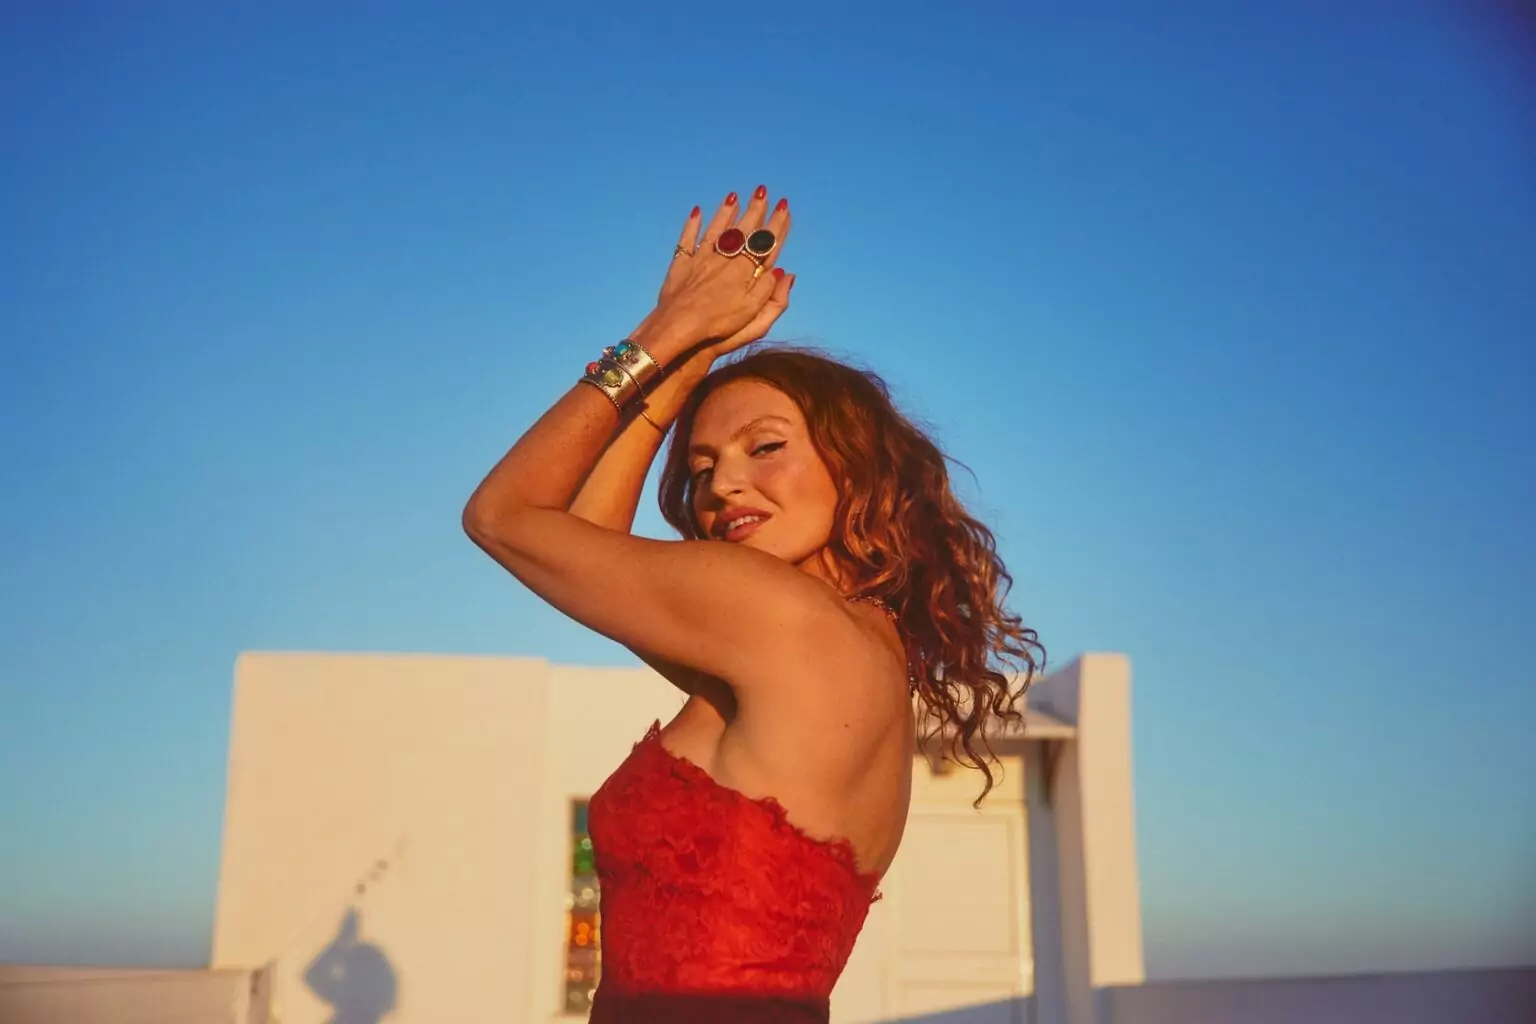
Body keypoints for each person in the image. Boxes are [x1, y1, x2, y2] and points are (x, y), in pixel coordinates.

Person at [463, 185, 1043, 1023]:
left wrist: (665, 333)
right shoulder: (850, 647)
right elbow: (584, 547)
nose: (722, 483)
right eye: (700, 468)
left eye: (764, 447)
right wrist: (687, 361)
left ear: (858, 466)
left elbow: (505, 517)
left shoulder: (778, 617)